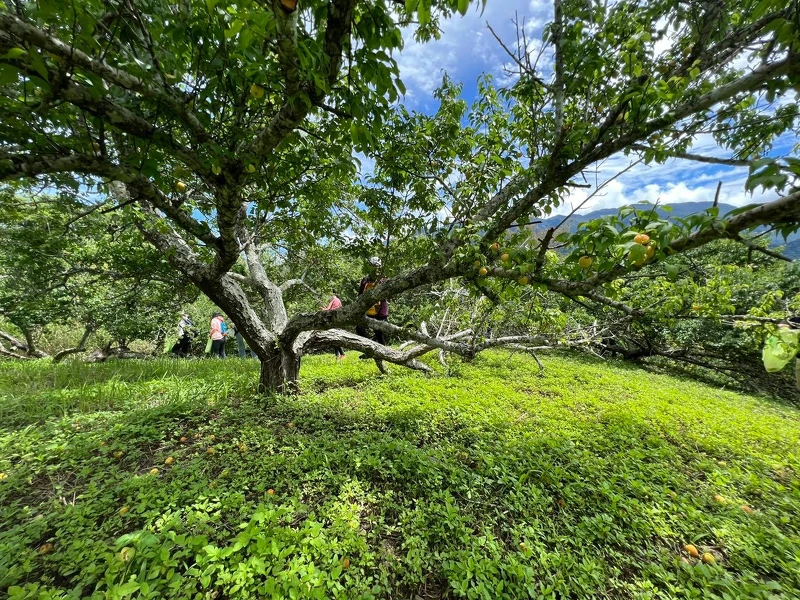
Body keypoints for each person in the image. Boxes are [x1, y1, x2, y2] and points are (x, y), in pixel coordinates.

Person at [356, 257, 388, 358]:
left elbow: (387, 294)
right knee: (360, 328)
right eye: (373, 266)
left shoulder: (383, 279)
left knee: (379, 332)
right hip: (367, 310)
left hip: (380, 310)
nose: (375, 268)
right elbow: (360, 295)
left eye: (377, 266)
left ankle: (384, 353)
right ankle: (369, 349)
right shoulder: (365, 280)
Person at [322, 291, 345, 359]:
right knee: (334, 338)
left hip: (333, 321)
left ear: (332, 295)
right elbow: (340, 309)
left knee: (335, 338)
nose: (328, 297)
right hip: (337, 320)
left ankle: (342, 354)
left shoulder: (333, 300)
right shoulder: (338, 300)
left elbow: (328, 311)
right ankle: (337, 356)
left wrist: (324, 309)